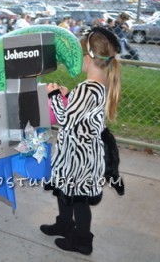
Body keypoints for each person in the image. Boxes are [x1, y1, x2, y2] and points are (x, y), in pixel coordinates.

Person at [41, 27, 122, 256]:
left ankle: (83, 241)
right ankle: (64, 224)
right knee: (65, 190)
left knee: (78, 199)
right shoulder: (98, 86)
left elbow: (66, 119)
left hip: (79, 157)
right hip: (80, 152)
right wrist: (67, 97)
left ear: (88, 58)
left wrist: (54, 95)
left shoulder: (86, 89)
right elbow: (77, 115)